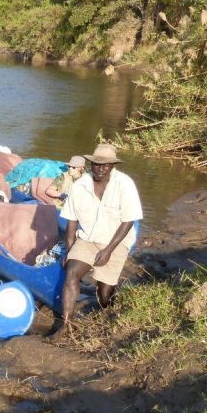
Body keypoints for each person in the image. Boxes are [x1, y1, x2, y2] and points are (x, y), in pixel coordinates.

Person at [52, 143, 143, 340]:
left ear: (112, 166)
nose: (100, 169)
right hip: (88, 239)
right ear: (90, 164)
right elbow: (71, 220)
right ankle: (66, 324)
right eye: (96, 164)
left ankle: (106, 311)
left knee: (104, 293)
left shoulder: (125, 184)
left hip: (116, 240)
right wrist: (69, 250)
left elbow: (129, 220)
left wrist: (109, 249)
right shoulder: (80, 186)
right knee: (72, 273)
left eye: (106, 165)